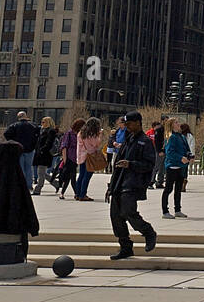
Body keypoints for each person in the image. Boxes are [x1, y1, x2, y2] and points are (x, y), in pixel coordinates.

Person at [108, 111, 158, 260]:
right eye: (126, 124)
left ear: (138, 122)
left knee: (128, 212)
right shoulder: (128, 139)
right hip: (119, 182)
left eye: (129, 123)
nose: (127, 126)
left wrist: (131, 164)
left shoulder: (145, 141)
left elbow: (149, 165)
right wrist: (111, 185)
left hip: (132, 183)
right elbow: (119, 163)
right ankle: (125, 247)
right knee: (116, 216)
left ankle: (148, 232)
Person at [160, 118, 192, 218]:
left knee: (178, 189)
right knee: (168, 189)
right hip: (172, 166)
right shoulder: (171, 137)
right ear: (172, 125)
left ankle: (177, 210)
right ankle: (165, 211)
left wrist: (189, 155)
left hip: (181, 166)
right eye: (176, 123)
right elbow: (169, 152)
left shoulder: (181, 136)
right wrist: (180, 158)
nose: (179, 124)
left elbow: (186, 149)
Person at [5, 111, 40, 190]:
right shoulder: (33, 125)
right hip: (30, 149)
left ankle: (22, 185)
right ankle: (29, 185)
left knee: (20, 167)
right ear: (26, 116)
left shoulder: (14, 126)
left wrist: (13, 142)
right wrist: (34, 144)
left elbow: (6, 134)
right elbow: (38, 136)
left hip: (18, 149)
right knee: (29, 167)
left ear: (18, 117)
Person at [74, 118, 103, 201]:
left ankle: (77, 194)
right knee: (87, 176)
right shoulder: (92, 134)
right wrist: (99, 135)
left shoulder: (81, 133)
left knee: (81, 175)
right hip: (90, 157)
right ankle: (83, 194)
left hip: (81, 156)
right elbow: (96, 144)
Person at [56, 119, 83, 199]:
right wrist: (65, 159)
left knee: (71, 177)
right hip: (69, 157)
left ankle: (66, 193)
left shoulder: (79, 134)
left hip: (76, 157)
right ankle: (75, 193)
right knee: (70, 177)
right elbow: (64, 146)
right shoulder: (69, 133)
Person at [32, 117, 58, 195]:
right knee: (42, 173)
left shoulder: (51, 131)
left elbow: (49, 143)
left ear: (48, 123)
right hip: (39, 154)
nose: (42, 124)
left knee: (40, 173)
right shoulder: (41, 130)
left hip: (45, 155)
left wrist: (42, 150)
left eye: (43, 122)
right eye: (41, 122)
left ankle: (37, 189)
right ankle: (56, 183)